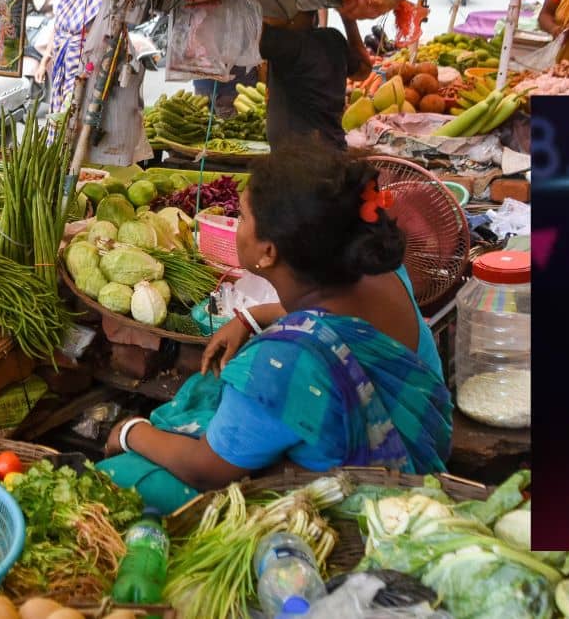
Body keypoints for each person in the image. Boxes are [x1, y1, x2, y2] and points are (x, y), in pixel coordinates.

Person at [97, 146, 453, 514]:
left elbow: (207, 469)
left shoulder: (284, 358)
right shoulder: (377, 270)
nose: (238, 224)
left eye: (244, 217)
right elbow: (340, 321)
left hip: (361, 504)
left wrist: (129, 431)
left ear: (268, 252)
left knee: (121, 475)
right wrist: (253, 316)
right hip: (414, 454)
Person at [258, 9, 371, 150]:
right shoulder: (332, 38)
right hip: (328, 150)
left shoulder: (291, 43)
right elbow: (363, 70)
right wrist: (348, 18)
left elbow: (257, 34)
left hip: (304, 162)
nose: (268, 17)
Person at [34, 0, 103, 115]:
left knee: (71, 106)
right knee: (58, 103)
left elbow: (99, 37)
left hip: (80, 63)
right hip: (60, 61)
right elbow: (56, 30)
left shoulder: (98, 1)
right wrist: (43, 63)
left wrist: (88, 68)